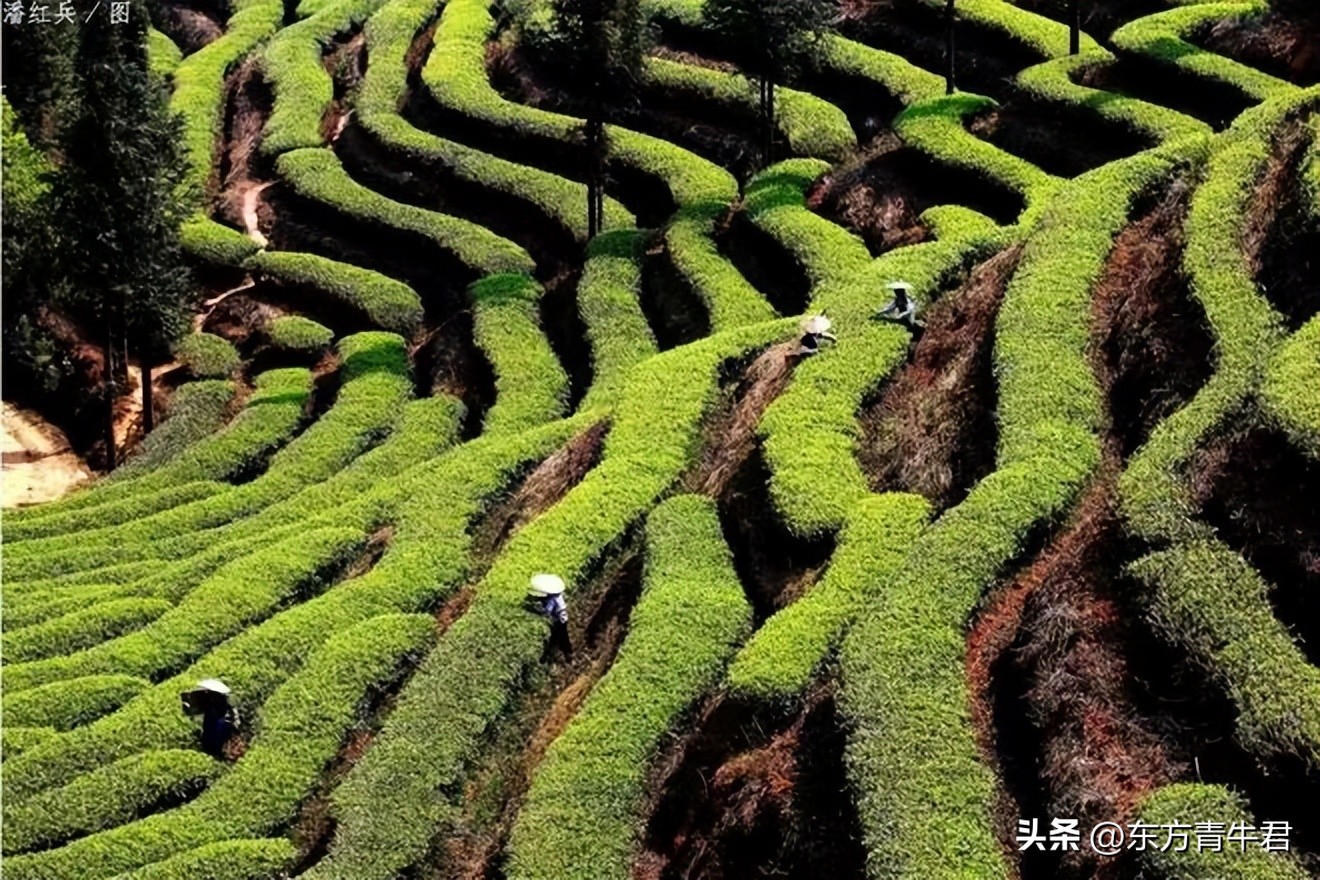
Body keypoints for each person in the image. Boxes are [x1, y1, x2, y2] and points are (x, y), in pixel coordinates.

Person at [181, 679, 240, 759]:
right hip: (212, 720)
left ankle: (217, 754)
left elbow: (230, 712)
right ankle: (210, 750)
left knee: (217, 740)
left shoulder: (222, 700)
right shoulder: (210, 699)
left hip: (221, 722)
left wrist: (234, 722)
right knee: (209, 736)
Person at [527, 573, 573, 661]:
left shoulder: (552, 599)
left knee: (562, 637)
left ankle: (567, 655)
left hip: (560, 620)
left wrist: (537, 609)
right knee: (556, 639)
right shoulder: (555, 595)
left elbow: (547, 611)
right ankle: (550, 656)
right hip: (557, 619)